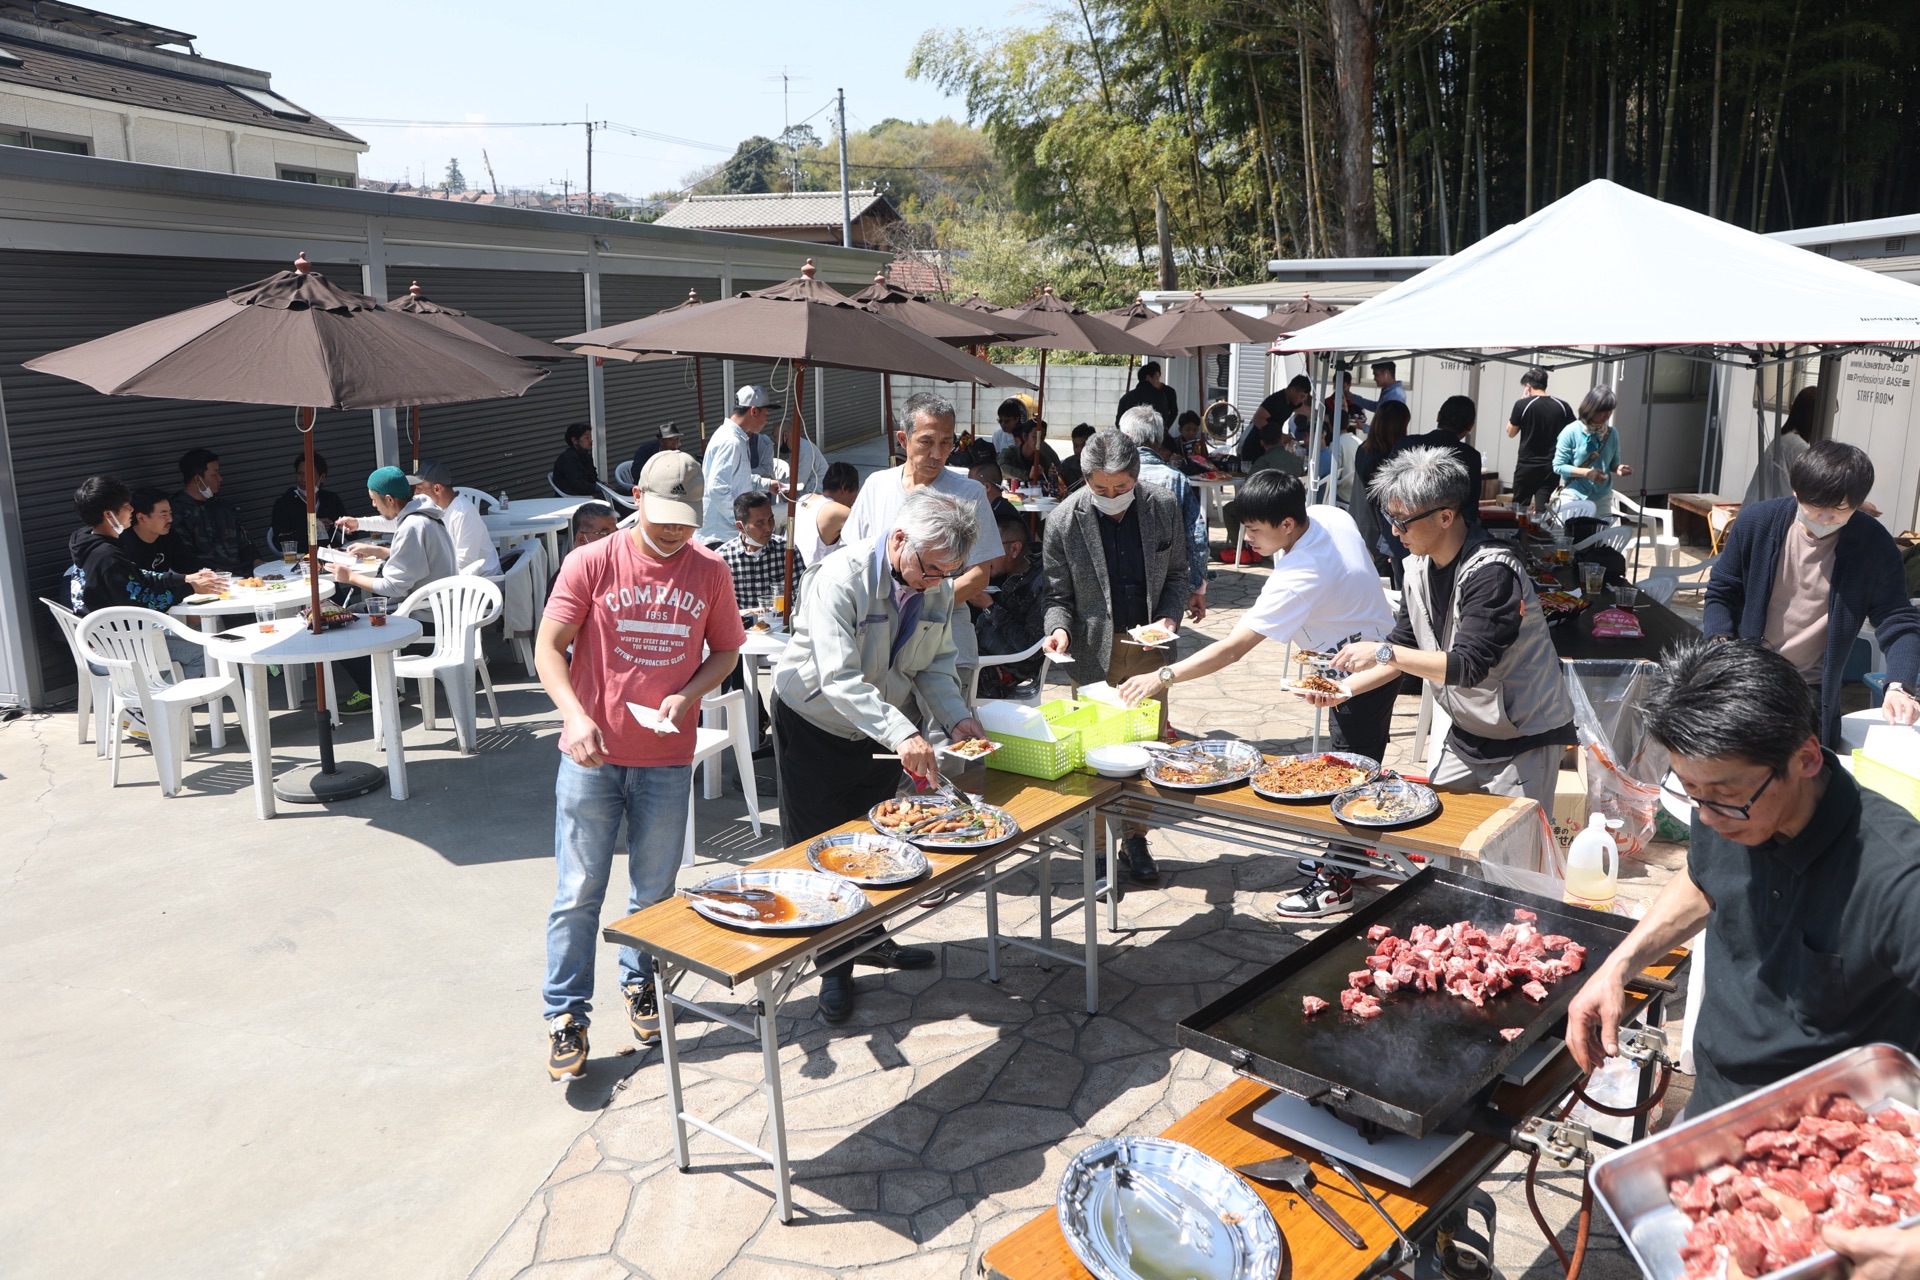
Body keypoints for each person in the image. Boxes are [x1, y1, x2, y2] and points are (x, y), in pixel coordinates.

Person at [1562, 640, 1920, 1279]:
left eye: (1723, 797)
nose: (1706, 815)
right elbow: (1706, 879)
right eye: (1690, 790)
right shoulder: (1724, 798)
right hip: (1718, 1114)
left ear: (1806, 757)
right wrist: (1620, 963)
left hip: (1834, 1153)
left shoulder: (1897, 878)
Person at [536, 450, 745, 1080]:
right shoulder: (592, 561)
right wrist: (573, 714)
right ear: (637, 500)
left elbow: (727, 651)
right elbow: (549, 649)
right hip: (591, 757)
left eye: (686, 520)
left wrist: (692, 692)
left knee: (654, 893)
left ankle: (641, 983)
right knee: (578, 892)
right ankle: (565, 1014)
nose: (675, 532)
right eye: (664, 519)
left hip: (665, 758)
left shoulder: (709, 571)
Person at [1120, 470, 1396, 915]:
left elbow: (1232, 650)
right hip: (1369, 644)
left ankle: (1338, 880)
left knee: (1351, 767)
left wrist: (1163, 677)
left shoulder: (1302, 571)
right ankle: (1353, 854)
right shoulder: (1326, 515)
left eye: (1254, 530)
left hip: (1361, 669)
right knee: (1355, 761)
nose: (1247, 539)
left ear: (1287, 523)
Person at [771, 490, 988, 1023]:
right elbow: (839, 679)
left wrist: (956, 715)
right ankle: (831, 966)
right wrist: (903, 732)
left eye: (948, 573)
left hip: (879, 728)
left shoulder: (933, 583)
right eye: (930, 569)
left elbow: (935, 663)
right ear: (897, 541)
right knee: (821, 849)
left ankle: (868, 937)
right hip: (814, 723)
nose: (936, 582)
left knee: (873, 842)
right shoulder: (839, 578)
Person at [1328, 447, 1576, 810]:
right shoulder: (1416, 567)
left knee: (1510, 857)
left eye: (1403, 521)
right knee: (1436, 838)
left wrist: (1382, 651)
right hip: (1468, 731)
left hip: (1525, 736)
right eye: (1389, 518)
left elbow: (1467, 667)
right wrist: (1341, 690)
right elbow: (1404, 645)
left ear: (1445, 517)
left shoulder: (1493, 573)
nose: (1394, 531)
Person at [1042, 430, 1192, 886]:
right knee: (1096, 749)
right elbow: (1055, 594)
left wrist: (1168, 619)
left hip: (1149, 646)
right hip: (1090, 650)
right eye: (1100, 489)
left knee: (1145, 745)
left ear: (1137, 477)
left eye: (1121, 488)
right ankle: (1100, 840)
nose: (1111, 497)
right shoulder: (1064, 521)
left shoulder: (1162, 505)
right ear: (1086, 479)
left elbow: (1179, 574)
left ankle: (1136, 836)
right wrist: (1058, 630)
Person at [1704, 441, 1920, 746]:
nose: (1824, 519)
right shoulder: (1757, 523)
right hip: (1744, 678)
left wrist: (1900, 684)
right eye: (1815, 509)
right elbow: (1722, 592)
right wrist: (1719, 642)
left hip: (1813, 691)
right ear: (1796, 490)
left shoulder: (1873, 545)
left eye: (1838, 511)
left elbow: (1898, 620)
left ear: (1858, 504)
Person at [847, 392, 1005, 680]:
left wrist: (923, 607)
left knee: (949, 722)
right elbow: (852, 559)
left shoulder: (969, 494)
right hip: (878, 638)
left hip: (946, 635)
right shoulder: (876, 486)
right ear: (903, 439)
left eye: (946, 443)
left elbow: (979, 576)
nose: (937, 454)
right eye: (926, 441)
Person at [67, 475, 225, 682]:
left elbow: (136, 576)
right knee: (204, 654)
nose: (132, 510)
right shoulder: (107, 556)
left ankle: (149, 702)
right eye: (126, 506)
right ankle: (153, 708)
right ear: (109, 514)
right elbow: (146, 605)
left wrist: (185, 579)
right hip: (113, 649)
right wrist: (191, 589)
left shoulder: (88, 541)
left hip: (101, 639)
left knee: (186, 640)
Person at [329, 466, 458, 714]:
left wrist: (350, 576)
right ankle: (378, 683)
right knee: (356, 611)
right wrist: (380, 551)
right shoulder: (424, 514)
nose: (375, 506)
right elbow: (419, 559)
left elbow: (392, 587)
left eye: (374, 500)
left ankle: (374, 690)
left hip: (425, 615)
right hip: (441, 607)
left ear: (389, 499)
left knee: (341, 619)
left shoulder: (412, 526)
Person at [1117, 406, 1208, 622]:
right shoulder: (1176, 479)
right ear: (1159, 439)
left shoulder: (1111, 477)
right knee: (1161, 639)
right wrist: (1198, 586)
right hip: (1165, 580)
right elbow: (1197, 537)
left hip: (1117, 577)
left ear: (1126, 437)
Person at [974, 513, 1049, 696]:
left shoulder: (1042, 582)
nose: (986, 556)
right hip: (981, 652)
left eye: (991, 548)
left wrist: (990, 607)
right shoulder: (1008, 571)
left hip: (1003, 667)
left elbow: (1030, 647)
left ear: (1015, 549)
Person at [699, 385, 778, 544]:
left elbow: (738, 478)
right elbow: (717, 489)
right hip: (719, 537)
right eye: (766, 414)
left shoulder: (734, 438)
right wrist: (742, 522)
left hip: (724, 533)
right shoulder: (731, 441)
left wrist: (767, 484)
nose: (767, 421)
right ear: (754, 411)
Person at [1220, 422, 1302, 561]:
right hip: (1293, 507)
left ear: (1262, 443)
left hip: (1269, 509)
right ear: (1281, 439)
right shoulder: (1295, 459)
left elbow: (1249, 489)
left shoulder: (1263, 462)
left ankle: (1242, 550)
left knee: (1229, 509)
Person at [170, 447, 259, 575]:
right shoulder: (176, 512)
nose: (220, 478)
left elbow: (245, 542)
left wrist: (257, 562)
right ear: (197, 479)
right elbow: (183, 557)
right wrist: (214, 573)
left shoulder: (224, 507)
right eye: (214, 474)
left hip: (243, 574)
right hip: (208, 579)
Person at [1350, 400, 1411, 581]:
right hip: (1379, 538)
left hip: (1360, 526)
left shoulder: (1363, 449)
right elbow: (1385, 506)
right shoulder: (1387, 459)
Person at [1551, 385, 1633, 516]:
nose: (1607, 415)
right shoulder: (1571, 431)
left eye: (1610, 411)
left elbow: (1613, 463)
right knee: (1572, 535)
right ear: (1591, 408)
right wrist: (1587, 473)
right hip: (1574, 496)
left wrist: (1619, 468)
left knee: (1601, 535)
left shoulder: (1612, 433)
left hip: (1602, 498)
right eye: (1603, 411)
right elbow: (1558, 466)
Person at [407, 460, 499, 576]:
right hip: (453, 576)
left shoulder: (463, 513)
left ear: (437, 489)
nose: (415, 493)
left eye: (419, 488)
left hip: (481, 583)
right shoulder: (435, 508)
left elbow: (465, 563)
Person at [715, 491, 797, 614]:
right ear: (741, 527)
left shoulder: (787, 550)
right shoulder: (723, 558)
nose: (769, 528)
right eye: (760, 523)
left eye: (771, 519)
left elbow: (801, 595)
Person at [1506, 367, 1575, 513]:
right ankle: (1539, 534)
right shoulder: (1562, 406)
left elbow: (1510, 432)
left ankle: (1520, 535)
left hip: (1527, 466)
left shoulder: (1522, 405)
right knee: (1542, 510)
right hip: (1551, 466)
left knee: (1519, 508)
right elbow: (1573, 433)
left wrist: (1522, 400)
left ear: (1528, 386)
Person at [1396, 395, 1485, 507]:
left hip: (1402, 519)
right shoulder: (1471, 456)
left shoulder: (1406, 444)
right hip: (1448, 522)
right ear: (1471, 426)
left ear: (1438, 416)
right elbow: (1470, 505)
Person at [1742, 385, 1820, 509]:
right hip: (1767, 513)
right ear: (1813, 417)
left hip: (1755, 508)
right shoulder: (1797, 446)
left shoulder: (1785, 438)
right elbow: (1812, 490)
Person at [268, 451, 347, 553]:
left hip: (331, 556)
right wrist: (310, 529)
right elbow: (279, 542)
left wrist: (339, 526)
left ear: (322, 477)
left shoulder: (331, 499)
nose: (304, 479)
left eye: (310, 474)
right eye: (300, 474)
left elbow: (351, 534)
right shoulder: (283, 504)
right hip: (300, 560)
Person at [793, 461, 859, 567]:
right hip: (812, 576)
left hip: (790, 569)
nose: (855, 498)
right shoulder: (837, 511)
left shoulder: (804, 498)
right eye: (856, 491)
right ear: (844, 488)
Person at [549, 502, 618, 598]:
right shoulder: (566, 580)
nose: (614, 539)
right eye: (605, 534)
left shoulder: (618, 566)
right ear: (582, 539)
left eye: (616, 533)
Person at [119, 487, 193, 576]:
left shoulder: (168, 535)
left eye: (170, 513)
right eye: (163, 515)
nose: (170, 519)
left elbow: (187, 564)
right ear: (141, 518)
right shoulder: (124, 546)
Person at [1249, 374, 1313, 457]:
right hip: (1256, 447)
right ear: (1293, 390)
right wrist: (1279, 436)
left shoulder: (1292, 403)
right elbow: (1257, 418)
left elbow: (1309, 411)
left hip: (1269, 449)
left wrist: (1326, 416)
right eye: (1301, 396)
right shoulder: (1276, 400)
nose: (1302, 400)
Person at [997, 418, 1064, 492]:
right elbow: (1001, 469)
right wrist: (1028, 475)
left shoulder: (1042, 460)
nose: (1039, 441)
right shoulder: (1009, 454)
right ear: (1025, 436)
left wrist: (1051, 476)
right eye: (1035, 437)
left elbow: (1045, 486)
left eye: (1042, 438)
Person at [1116, 361, 1178, 430]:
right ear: (1148, 377)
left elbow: (1118, 423)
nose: (1157, 381)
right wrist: (1164, 431)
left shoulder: (1126, 398)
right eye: (1156, 378)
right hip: (1154, 437)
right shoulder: (1159, 395)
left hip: (1131, 437)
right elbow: (1165, 418)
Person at [967, 459, 1021, 528]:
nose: (968, 488)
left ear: (986, 487)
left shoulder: (1001, 517)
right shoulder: (996, 508)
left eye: (971, 484)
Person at [552, 422, 600, 497]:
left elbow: (592, 477)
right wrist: (598, 488)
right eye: (587, 437)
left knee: (620, 492)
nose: (591, 440)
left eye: (590, 437)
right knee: (619, 496)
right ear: (574, 440)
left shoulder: (586, 455)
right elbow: (578, 484)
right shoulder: (568, 459)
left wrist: (602, 485)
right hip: (575, 497)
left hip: (588, 493)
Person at [1344, 361, 1409, 416]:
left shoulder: (1395, 395)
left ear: (1386, 373)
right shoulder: (1390, 391)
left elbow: (1390, 426)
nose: (1374, 379)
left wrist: (1366, 427)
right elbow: (1377, 407)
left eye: (1376, 375)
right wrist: (1353, 397)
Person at [778, 430, 827, 497]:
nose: (774, 442)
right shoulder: (795, 449)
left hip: (816, 491)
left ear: (785, 435)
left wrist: (775, 482)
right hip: (808, 489)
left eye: (775, 436)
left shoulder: (805, 449)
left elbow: (798, 482)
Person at [1334, 409, 1365, 505]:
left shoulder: (1335, 444)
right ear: (1348, 424)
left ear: (1331, 425)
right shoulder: (1359, 441)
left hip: (1342, 495)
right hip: (1359, 494)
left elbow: (1334, 475)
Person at [1059, 423, 1096, 489]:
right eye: (1076, 446)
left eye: (1083, 446)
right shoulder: (1068, 464)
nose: (1079, 450)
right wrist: (1054, 477)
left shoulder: (1102, 466)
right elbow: (1061, 487)